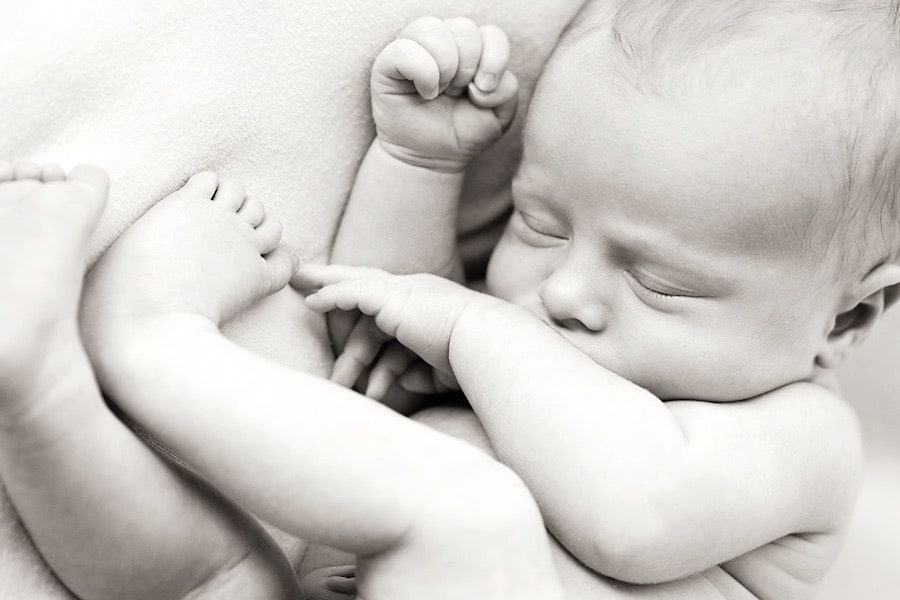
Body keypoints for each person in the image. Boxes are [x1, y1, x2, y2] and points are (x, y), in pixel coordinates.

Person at [1, 3, 896, 600]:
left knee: (470, 511)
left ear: (845, 320)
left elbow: (636, 515)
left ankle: (148, 341)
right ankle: (40, 395)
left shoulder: (803, 437)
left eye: (657, 281)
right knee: (205, 571)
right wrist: (422, 166)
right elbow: (369, 342)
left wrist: (470, 323)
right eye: (537, 223)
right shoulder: (524, 343)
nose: (566, 290)